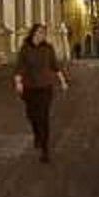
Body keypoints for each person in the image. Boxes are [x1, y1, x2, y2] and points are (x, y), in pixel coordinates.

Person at [14, 24, 68, 162]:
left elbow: (55, 66)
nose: (41, 35)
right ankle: (37, 134)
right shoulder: (25, 49)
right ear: (32, 33)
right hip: (29, 88)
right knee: (31, 115)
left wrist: (62, 81)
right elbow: (20, 66)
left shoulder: (48, 48)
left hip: (45, 87)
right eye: (39, 32)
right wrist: (18, 82)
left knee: (43, 117)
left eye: (43, 33)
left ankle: (45, 150)